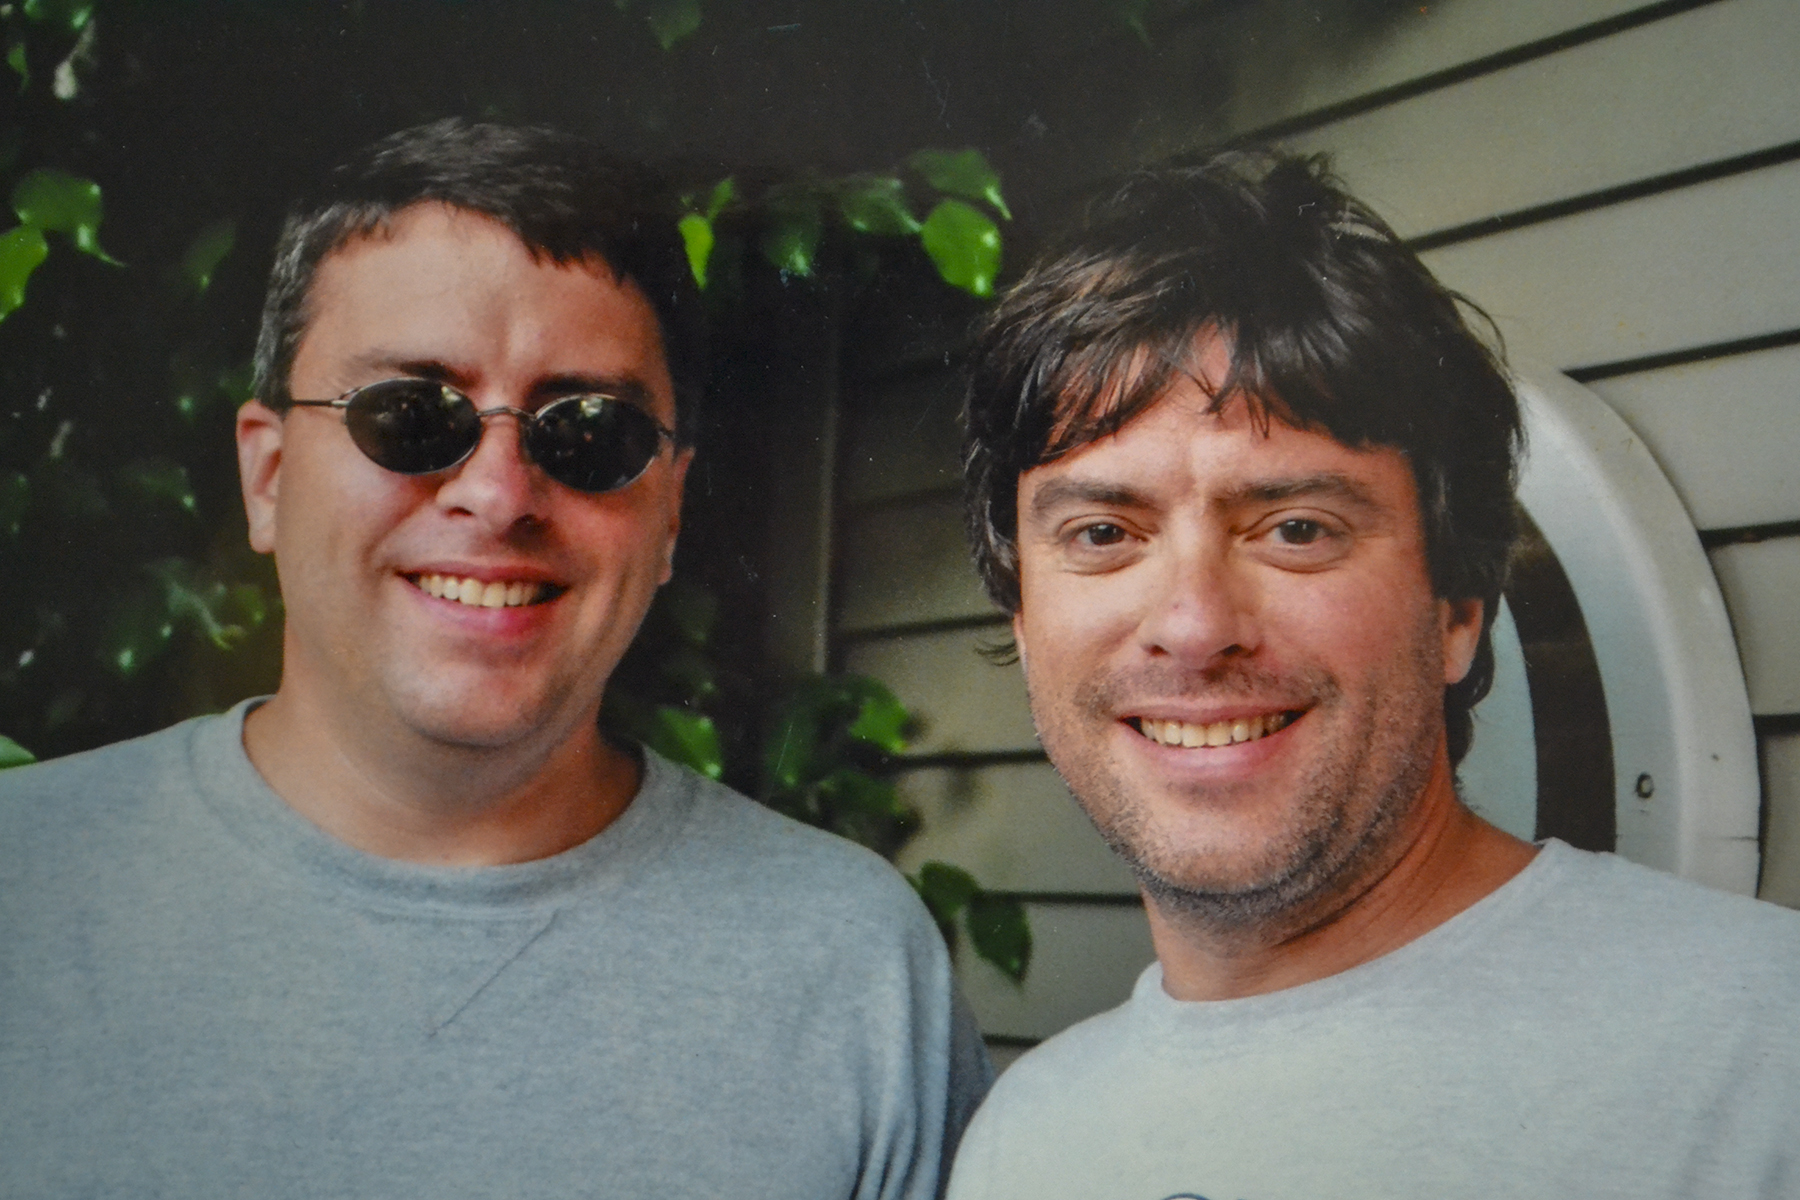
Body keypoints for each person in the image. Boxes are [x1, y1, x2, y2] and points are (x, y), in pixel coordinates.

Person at [0, 119, 989, 1198]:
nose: (501, 493)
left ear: (669, 515)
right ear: (269, 477)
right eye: (411, 414)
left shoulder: (853, 968)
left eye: (590, 430)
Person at [947, 150, 1800, 1199]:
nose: (1193, 625)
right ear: (1024, 621)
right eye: (1103, 532)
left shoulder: (1765, 1051)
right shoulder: (1023, 1147)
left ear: (1457, 612)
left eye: (1296, 528)